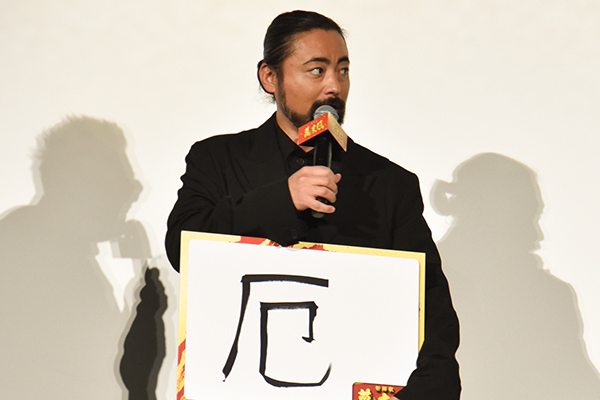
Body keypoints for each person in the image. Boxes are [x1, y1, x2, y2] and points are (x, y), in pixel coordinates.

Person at [166, 10, 460, 399]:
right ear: (270, 77)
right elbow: (183, 246)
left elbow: (432, 313)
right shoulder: (219, 159)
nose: (334, 86)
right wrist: (281, 199)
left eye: (343, 70)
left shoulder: (389, 184)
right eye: (317, 71)